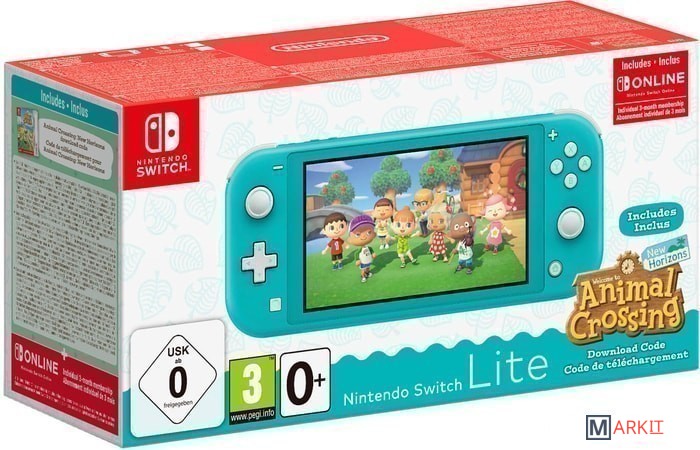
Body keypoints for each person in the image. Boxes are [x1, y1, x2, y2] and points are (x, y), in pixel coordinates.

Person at [347, 215, 377, 282]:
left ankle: (368, 273)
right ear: (350, 239)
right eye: (358, 234)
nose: (364, 236)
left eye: (369, 232)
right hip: (363, 261)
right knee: (363, 270)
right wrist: (357, 260)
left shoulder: (369, 247)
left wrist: (373, 253)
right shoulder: (360, 250)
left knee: (368, 268)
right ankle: (363, 276)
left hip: (368, 260)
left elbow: (371, 250)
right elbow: (356, 254)